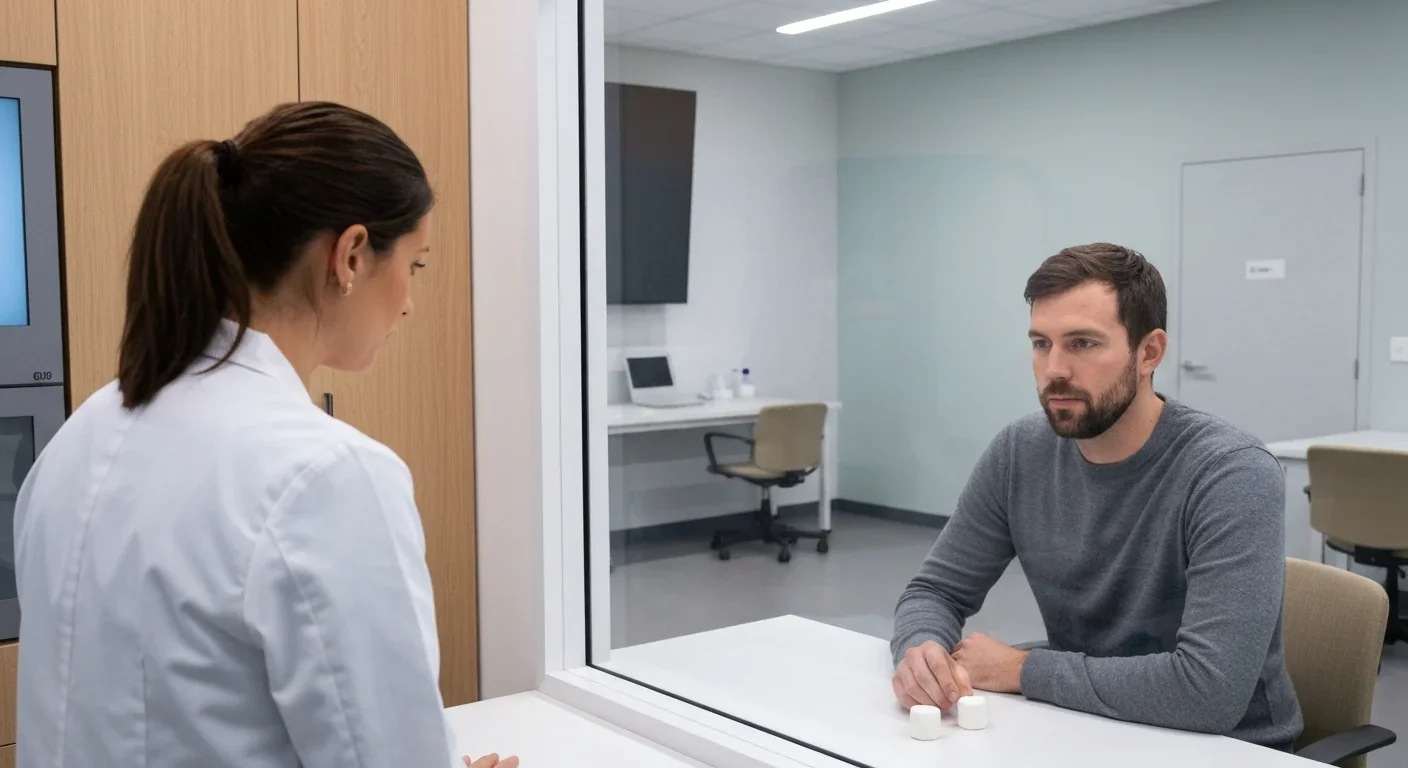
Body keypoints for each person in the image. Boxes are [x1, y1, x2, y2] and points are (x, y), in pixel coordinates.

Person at [13, 102, 517, 768]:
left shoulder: (82, 433)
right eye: (415, 266)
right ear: (352, 255)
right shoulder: (326, 476)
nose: (409, 302)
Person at [890, 243, 1303, 750]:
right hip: (1083, 727)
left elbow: (1209, 693)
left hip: (1231, 748)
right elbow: (935, 592)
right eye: (1041, 344)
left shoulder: (1229, 472)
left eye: (1082, 344)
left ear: (1148, 352)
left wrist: (1024, 668)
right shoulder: (1019, 453)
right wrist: (921, 651)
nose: (1054, 369)